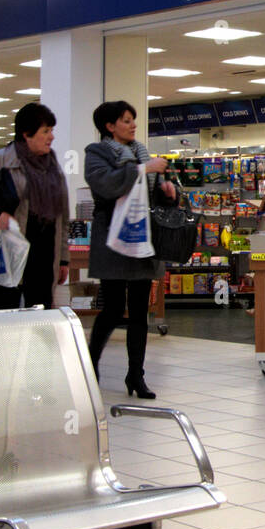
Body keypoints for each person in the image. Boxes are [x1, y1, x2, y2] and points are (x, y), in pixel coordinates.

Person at [85, 100, 176, 399]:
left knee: (140, 311)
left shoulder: (141, 152)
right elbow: (107, 186)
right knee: (111, 308)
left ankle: (136, 375)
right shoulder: (96, 153)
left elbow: (152, 195)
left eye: (133, 119)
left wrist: (168, 192)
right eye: (126, 120)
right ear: (110, 126)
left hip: (142, 239)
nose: (133, 124)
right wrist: (141, 170)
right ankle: (89, 366)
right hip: (113, 238)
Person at [0, 102, 70, 311]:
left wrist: (63, 259)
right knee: (2, 315)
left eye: (52, 131)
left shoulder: (54, 167)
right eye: (45, 131)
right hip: (6, 251)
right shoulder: (2, 160)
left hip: (44, 256)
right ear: (27, 134)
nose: (51, 136)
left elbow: (62, 217)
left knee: (40, 317)